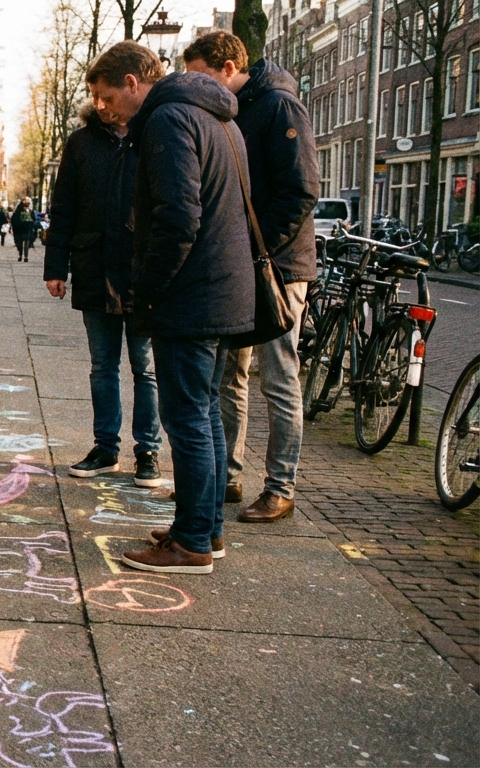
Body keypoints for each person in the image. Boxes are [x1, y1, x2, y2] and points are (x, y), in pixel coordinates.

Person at [118, 68, 256, 575]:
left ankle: (192, 541)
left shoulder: (168, 120)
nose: (104, 107)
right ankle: (205, 528)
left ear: (132, 82)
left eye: (105, 95)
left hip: (192, 294)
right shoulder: (219, 119)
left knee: (188, 418)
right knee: (207, 415)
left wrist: (148, 291)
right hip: (224, 288)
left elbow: (178, 215)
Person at [183, 32, 320, 524]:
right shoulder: (231, 110)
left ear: (225, 67)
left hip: (280, 267)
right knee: (230, 374)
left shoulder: (279, 105)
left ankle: (281, 487)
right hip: (243, 263)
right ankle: (229, 476)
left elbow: (301, 190)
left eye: (198, 74)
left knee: (279, 375)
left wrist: (262, 249)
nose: (192, 85)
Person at [46, 41, 165, 488]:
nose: (100, 106)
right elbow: (65, 208)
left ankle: (148, 451)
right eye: (94, 99)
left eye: (106, 98)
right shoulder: (80, 143)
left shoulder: (156, 134)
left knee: (146, 366)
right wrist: (56, 265)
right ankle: (106, 447)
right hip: (95, 265)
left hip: (142, 271)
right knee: (101, 365)